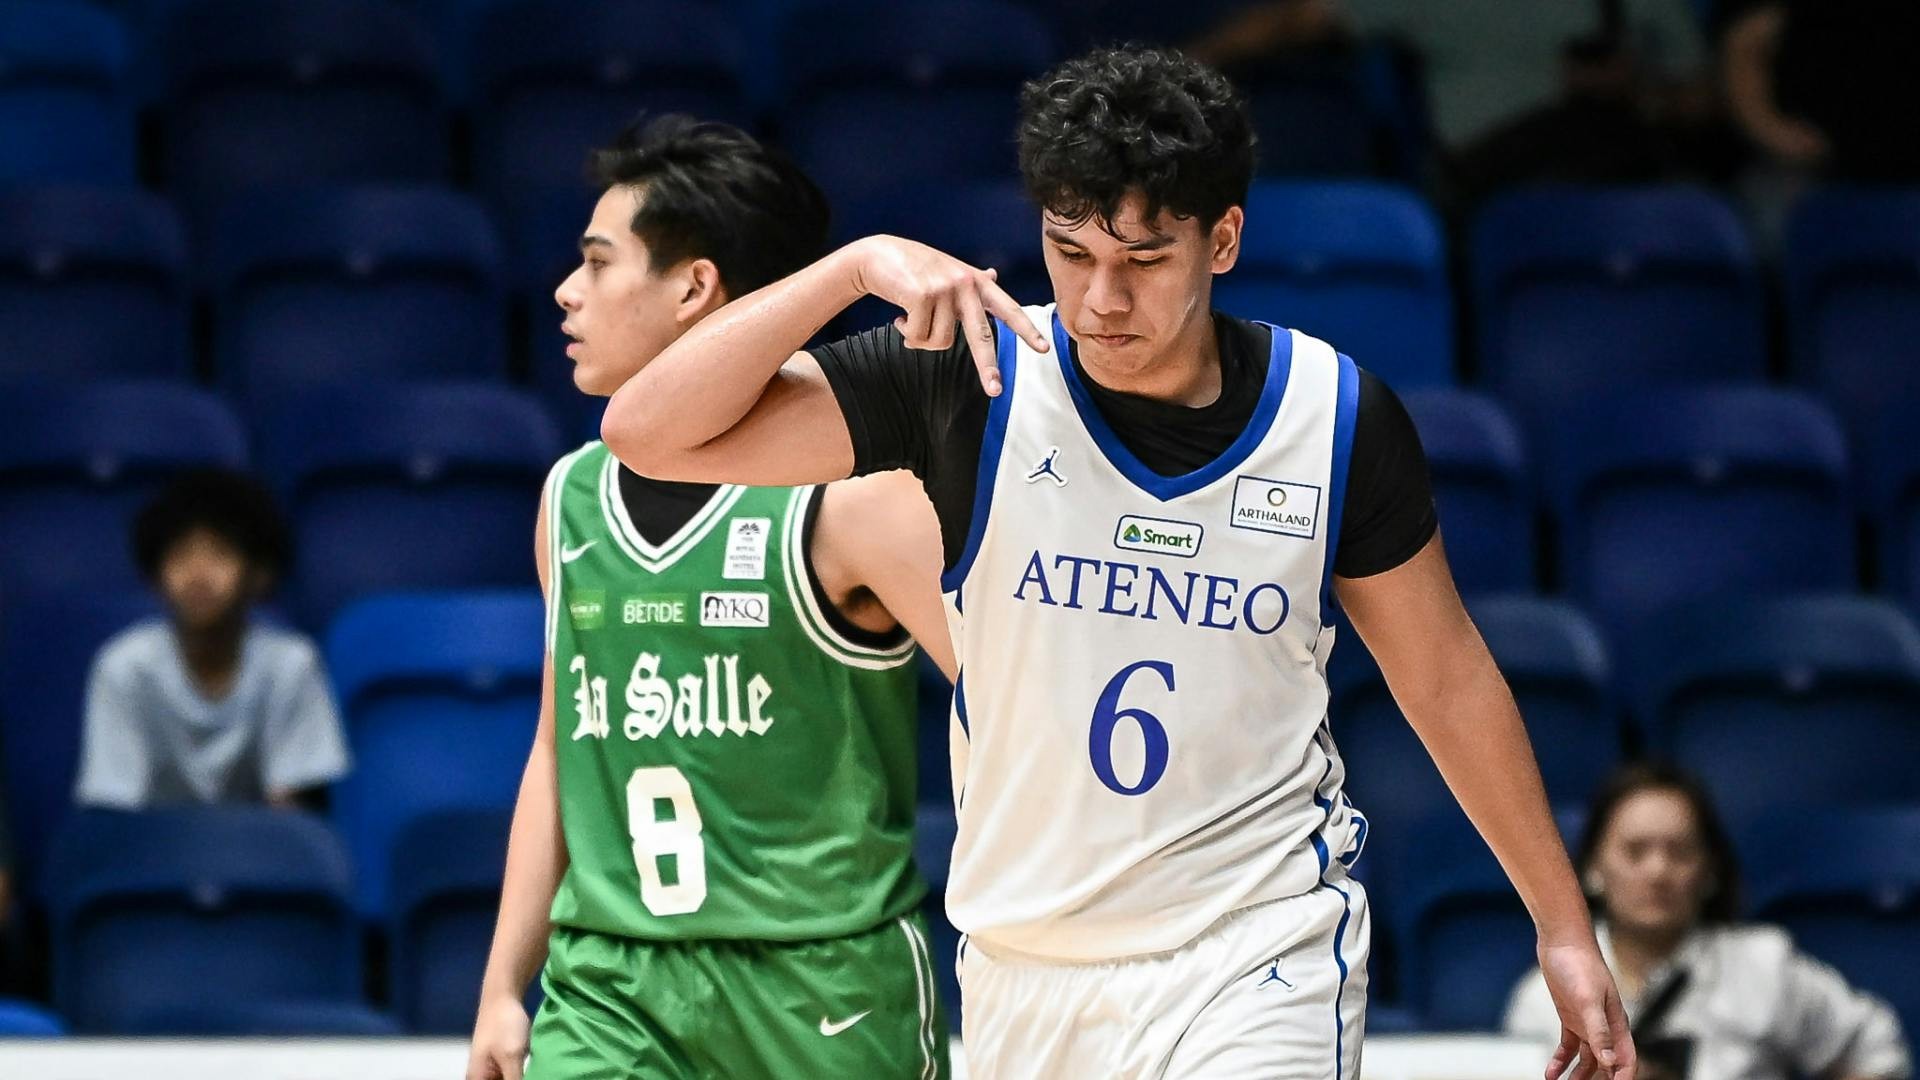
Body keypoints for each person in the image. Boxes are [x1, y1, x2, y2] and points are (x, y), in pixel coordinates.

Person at [601, 46, 1634, 1080]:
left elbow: (1445, 677)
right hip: (1027, 967)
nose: (1102, 297)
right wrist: (855, 267)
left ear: (1221, 240)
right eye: (1070, 251)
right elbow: (646, 434)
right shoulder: (973, 377)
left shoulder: (1335, 416)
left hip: (1258, 946)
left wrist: (1562, 926)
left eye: (1143, 261)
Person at [465, 115, 954, 1080]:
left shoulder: (854, 498)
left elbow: (1016, 712)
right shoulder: (570, 496)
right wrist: (500, 988)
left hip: (823, 985)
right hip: (610, 988)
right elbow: (561, 748)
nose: (566, 291)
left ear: (693, 288)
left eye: (597, 263)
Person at [1506, 763, 1912, 1080]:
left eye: (1680, 851)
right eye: (1635, 851)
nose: (1658, 871)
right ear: (1593, 869)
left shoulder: (1764, 966)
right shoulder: (1544, 995)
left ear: (1710, 871)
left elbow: (1878, 1050)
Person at [74, 468, 348, 811]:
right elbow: (113, 806)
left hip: (258, 843)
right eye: (180, 555)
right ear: (155, 573)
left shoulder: (291, 664)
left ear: (258, 573)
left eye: (219, 554)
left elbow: (289, 809)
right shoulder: (124, 667)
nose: (197, 575)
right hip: (152, 843)